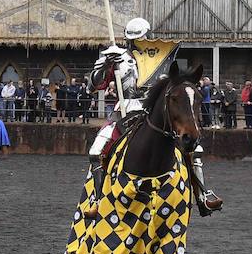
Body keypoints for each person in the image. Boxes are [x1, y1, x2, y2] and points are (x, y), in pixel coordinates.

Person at [88, 16, 223, 216]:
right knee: (96, 150)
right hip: (124, 110)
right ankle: (98, 200)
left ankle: (202, 197)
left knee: (194, 149)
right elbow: (93, 87)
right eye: (132, 40)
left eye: (139, 39)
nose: (135, 43)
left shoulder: (161, 58)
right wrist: (104, 65)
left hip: (155, 110)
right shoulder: (117, 58)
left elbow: (171, 87)